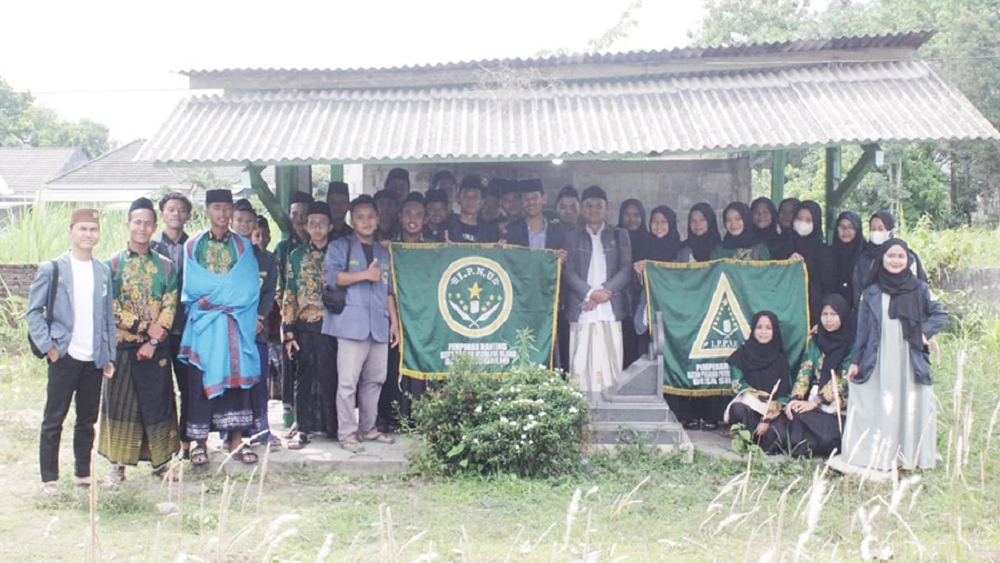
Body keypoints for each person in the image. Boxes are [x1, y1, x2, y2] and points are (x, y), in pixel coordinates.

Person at [29, 208, 116, 495]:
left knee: (87, 420)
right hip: (64, 355)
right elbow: (34, 313)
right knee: (54, 418)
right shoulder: (52, 268)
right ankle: (49, 478)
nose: (88, 234)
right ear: (71, 231)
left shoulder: (103, 271)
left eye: (93, 229)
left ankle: (82, 473)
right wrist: (50, 348)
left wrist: (109, 355)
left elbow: (107, 317)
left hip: (93, 358)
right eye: (83, 229)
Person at [842, 239, 947, 471]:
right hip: (878, 356)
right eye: (891, 255)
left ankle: (909, 454)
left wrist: (923, 333)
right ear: (882, 258)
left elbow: (940, 314)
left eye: (901, 256)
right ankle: (878, 455)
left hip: (909, 358)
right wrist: (856, 361)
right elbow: (863, 330)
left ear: (908, 260)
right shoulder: (871, 292)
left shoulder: (920, 288)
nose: (896, 261)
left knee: (909, 401)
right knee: (876, 400)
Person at [98, 198, 180, 485]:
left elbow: (170, 306)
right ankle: (117, 467)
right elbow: (111, 307)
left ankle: (162, 465)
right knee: (121, 405)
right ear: (128, 224)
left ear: (154, 226)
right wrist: (146, 329)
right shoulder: (112, 264)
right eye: (137, 222)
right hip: (122, 347)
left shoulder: (167, 267)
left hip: (156, 350)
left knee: (158, 404)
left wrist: (154, 342)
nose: (142, 228)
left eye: (148, 223)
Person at [180, 189, 261, 466]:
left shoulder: (242, 246)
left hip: (234, 323)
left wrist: (216, 297)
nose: (223, 214)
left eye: (227, 208)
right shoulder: (192, 245)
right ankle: (199, 443)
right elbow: (193, 288)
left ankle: (236, 441)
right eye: (217, 207)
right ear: (207, 211)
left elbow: (248, 288)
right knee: (200, 379)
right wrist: (225, 294)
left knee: (236, 380)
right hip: (204, 327)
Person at [323, 195, 400, 452]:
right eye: (360, 217)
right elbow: (332, 277)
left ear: (378, 220)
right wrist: (364, 275)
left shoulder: (382, 251)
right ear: (351, 221)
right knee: (347, 383)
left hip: (378, 322)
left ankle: (368, 428)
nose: (366, 222)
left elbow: (389, 289)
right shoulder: (340, 246)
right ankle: (347, 433)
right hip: (350, 324)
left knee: (375, 380)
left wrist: (394, 323)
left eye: (370, 217)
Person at [562, 186, 632, 405]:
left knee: (609, 357)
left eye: (598, 206)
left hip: (609, 306)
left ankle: (609, 404)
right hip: (582, 306)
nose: (594, 210)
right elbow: (568, 271)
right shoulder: (572, 237)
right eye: (589, 206)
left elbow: (626, 270)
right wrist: (591, 293)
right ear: (582, 209)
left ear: (607, 209)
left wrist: (604, 293)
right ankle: (582, 407)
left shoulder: (619, 235)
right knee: (581, 359)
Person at [766, 294, 852, 458]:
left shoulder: (852, 342)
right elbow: (805, 370)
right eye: (825, 314)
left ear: (843, 315)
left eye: (834, 314)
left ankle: (807, 441)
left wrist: (815, 402)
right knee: (795, 414)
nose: (828, 319)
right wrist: (796, 399)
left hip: (839, 407)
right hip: (814, 402)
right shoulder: (816, 341)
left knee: (830, 431)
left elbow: (844, 379)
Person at [282, 202, 339, 448]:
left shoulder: (339, 253)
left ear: (331, 226)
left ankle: (334, 427)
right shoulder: (295, 256)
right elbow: (289, 293)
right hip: (304, 325)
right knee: (302, 378)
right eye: (312, 224)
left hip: (334, 326)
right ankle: (303, 428)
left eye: (322, 224)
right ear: (306, 226)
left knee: (331, 376)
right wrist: (288, 329)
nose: (317, 229)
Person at [231, 200, 280, 447]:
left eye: (248, 221)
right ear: (231, 221)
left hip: (256, 331)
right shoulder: (223, 256)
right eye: (239, 220)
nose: (243, 225)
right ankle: (230, 434)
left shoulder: (267, 260)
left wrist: (258, 319)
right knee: (232, 383)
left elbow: (268, 293)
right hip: (229, 331)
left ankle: (261, 431)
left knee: (258, 381)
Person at [380, 191, 431, 430]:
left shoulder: (433, 249)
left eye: (418, 215)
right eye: (408, 213)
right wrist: (394, 321)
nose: (413, 219)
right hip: (397, 317)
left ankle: (421, 418)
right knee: (393, 369)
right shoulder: (389, 248)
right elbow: (388, 288)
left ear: (426, 219)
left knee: (422, 367)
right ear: (399, 216)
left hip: (424, 319)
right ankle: (393, 419)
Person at [151, 192, 193, 458]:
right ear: (162, 214)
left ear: (188, 215)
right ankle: (164, 446)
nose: (176, 214)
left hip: (189, 328)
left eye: (181, 210)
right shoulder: (153, 249)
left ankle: (188, 442)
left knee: (189, 387)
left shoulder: (196, 246)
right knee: (162, 390)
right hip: (159, 329)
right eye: (170, 209)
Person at [724, 311, 792, 446]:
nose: (763, 332)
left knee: (775, 434)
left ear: (775, 331)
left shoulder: (780, 359)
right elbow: (737, 386)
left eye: (768, 328)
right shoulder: (741, 355)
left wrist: (768, 417)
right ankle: (745, 438)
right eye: (759, 327)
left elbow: (785, 393)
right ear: (753, 329)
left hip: (772, 411)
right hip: (750, 408)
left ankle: (760, 439)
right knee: (737, 410)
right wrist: (760, 396)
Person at [850, 211, 927, 311]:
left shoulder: (907, 257)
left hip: (904, 312)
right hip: (871, 313)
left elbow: (916, 288)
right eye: (872, 229)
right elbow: (857, 289)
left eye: (881, 229)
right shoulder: (865, 258)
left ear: (890, 230)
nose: (876, 232)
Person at [790, 201, 836, 324]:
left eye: (808, 220)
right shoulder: (783, 246)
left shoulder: (823, 252)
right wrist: (787, 263)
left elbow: (828, 286)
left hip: (814, 312)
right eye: (799, 218)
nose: (802, 223)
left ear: (816, 223)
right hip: (788, 309)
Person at [617, 199, 648, 368]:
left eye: (636, 215)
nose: (632, 219)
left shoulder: (649, 241)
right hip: (617, 301)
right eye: (627, 215)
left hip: (641, 304)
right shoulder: (614, 238)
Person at [505, 180, 566, 251]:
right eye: (526, 199)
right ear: (521, 201)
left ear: (544, 199)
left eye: (534, 198)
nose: (530, 202)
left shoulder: (559, 232)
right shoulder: (513, 233)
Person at [444, 175, 501, 243]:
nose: (471, 200)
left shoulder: (490, 233)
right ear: (458, 199)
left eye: (475, 196)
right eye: (466, 196)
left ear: (482, 201)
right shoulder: (447, 228)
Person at [831, 211, 864, 303]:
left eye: (851, 227)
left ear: (857, 229)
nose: (845, 231)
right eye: (842, 227)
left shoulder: (865, 253)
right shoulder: (828, 253)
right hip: (833, 310)